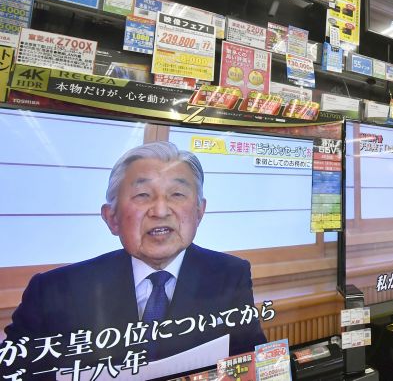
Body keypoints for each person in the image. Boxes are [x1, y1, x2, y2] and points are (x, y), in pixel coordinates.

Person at [2, 142, 266, 379]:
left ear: (199, 211)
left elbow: (251, 363)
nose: (161, 211)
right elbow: (12, 371)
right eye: (143, 195)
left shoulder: (230, 274)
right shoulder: (54, 290)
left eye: (177, 194)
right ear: (112, 218)